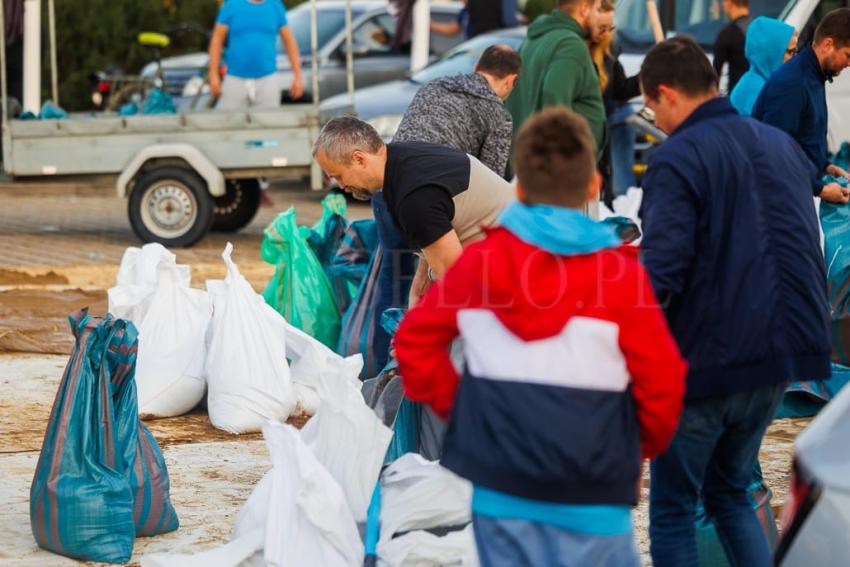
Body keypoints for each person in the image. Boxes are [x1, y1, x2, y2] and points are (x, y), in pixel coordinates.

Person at [394, 107, 686, 567]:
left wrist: (465, 413)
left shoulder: (479, 266)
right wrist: (634, 449)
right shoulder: (619, 278)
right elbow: (664, 382)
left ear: (520, 189)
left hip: (500, 492)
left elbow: (413, 343)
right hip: (596, 494)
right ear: (593, 187)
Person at [638, 36, 832, 567]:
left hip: (711, 357)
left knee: (674, 508)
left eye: (650, 107)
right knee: (727, 497)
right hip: (784, 355)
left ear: (666, 94)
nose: (652, 118)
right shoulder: (777, 143)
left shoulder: (677, 158)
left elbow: (661, 274)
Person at [313, 116, 514, 306]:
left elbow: (454, 280)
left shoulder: (414, 196)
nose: (341, 185)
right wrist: (414, 307)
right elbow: (429, 256)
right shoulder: (401, 161)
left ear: (359, 159)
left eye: (338, 176)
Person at [753, 8, 850, 203]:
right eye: (847, 55)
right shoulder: (793, 83)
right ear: (828, 44)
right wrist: (821, 189)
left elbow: (803, 138)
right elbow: (775, 154)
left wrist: (826, 166)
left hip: (794, 192)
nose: (849, 64)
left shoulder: (815, 75)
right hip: (777, 202)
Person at [393, 44, 520, 178]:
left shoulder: (433, 85)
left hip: (392, 179)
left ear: (476, 67)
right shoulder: (499, 115)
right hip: (431, 185)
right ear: (511, 80)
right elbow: (491, 179)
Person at [506, 0, 606, 157]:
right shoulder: (570, 44)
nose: (598, 17)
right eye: (597, 9)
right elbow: (554, 97)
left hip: (530, 162)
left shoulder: (531, 42)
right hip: (558, 169)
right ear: (584, 9)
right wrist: (561, 161)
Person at [208, 0, 304, 110]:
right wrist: (213, 74)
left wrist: (297, 77)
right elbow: (217, 40)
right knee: (229, 123)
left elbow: (289, 42)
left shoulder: (275, 6)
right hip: (234, 78)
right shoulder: (231, 5)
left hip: (268, 79)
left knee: (268, 123)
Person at [588, 0, 641, 199]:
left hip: (609, 122)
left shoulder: (609, 50)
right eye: (602, 28)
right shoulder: (575, 53)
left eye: (610, 28)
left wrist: (648, 75)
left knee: (615, 188)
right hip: (588, 131)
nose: (606, 33)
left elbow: (620, 89)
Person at [729, 17, 797, 116]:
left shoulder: (761, 82)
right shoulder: (758, 91)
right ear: (772, 53)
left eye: (795, 51)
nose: (795, 58)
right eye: (790, 52)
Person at [713, 0, 751, 94]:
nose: (723, 5)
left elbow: (714, 75)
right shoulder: (761, 30)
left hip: (736, 97)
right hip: (759, 97)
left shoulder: (727, 34)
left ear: (729, 2)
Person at [431, 0, 521, 39]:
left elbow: (510, 22)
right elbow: (454, 29)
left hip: (491, 52)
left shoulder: (488, 8)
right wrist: (430, 25)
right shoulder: (467, 10)